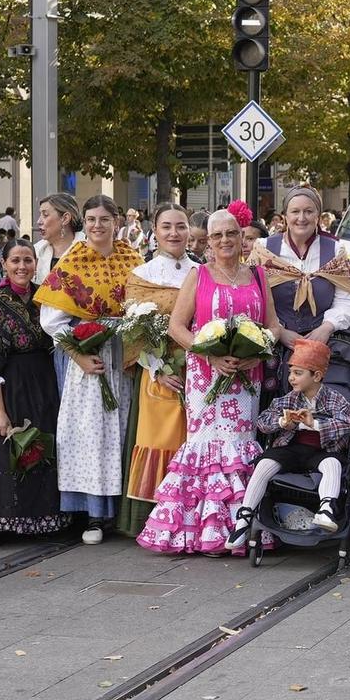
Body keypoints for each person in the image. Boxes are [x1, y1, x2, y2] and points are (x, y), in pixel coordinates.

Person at [138, 202, 281, 555]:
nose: (225, 240)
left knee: (238, 447)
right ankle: (200, 531)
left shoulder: (259, 276)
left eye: (232, 233)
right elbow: (177, 327)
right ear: (207, 241)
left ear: (243, 237)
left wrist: (259, 350)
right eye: (217, 235)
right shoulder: (198, 276)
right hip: (206, 378)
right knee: (205, 446)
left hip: (247, 379)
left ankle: (240, 526)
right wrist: (210, 355)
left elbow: (274, 326)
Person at [37, 195, 143, 543]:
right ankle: (94, 515)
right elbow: (51, 319)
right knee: (91, 434)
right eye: (91, 219)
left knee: (125, 430)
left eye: (104, 219)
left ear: (117, 222)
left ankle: (125, 510)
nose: (97, 226)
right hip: (89, 358)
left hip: (126, 356)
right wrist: (78, 353)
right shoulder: (73, 259)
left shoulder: (133, 257)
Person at [0, 240, 65, 537]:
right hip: (13, 385)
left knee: (46, 448)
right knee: (17, 447)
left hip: (45, 384)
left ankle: (49, 517)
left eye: (28, 260)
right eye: (15, 260)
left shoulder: (45, 297)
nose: (22, 267)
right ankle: (15, 521)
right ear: (3, 263)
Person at [120, 205, 195, 537]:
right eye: (167, 226)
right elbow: (134, 329)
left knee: (190, 441)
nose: (174, 233)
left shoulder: (202, 271)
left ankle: (190, 515)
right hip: (157, 372)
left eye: (180, 226)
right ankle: (150, 518)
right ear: (155, 230)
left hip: (198, 369)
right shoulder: (142, 275)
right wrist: (158, 367)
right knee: (158, 440)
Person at [232, 338, 350, 538]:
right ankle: (245, 516)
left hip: (323, 451)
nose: (291, 378)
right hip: (291, 449)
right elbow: (263, 422)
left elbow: (347, 424)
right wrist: (282, 422)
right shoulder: (287, 399)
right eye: (290, 372)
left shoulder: (335, 399)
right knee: (264, 464)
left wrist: (313, 424)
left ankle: (326, 510)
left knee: (333, 464)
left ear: (316, 375)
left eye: (298, 373)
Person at [258, 188, 350, 379]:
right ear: (285, 216)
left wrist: (326, 328)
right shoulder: (264, 249)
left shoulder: (335, 250)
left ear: (318, 216)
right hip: (274, 346)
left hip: (322, 344)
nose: (301, 218)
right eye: (295, 211)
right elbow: (254, 300)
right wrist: (279, 331)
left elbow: (347, 300)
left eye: (308, 211)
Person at [33, 192, 81, 286]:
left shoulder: (87, 250)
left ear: (65, 218)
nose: (39, 221)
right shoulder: (35, 251)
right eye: (40, 215)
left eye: (45, 215)